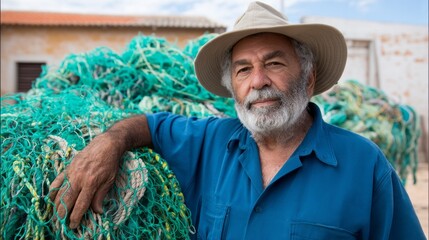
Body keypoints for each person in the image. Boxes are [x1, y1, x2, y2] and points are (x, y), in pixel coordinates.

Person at [50, 1, 426, 239]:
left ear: (308, 78)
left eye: (274, 63)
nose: (258, 82)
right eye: (244, 70)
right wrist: (108, 144)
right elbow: (147, 124)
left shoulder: (364, 164)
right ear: (233, 87)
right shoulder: (210, 142)